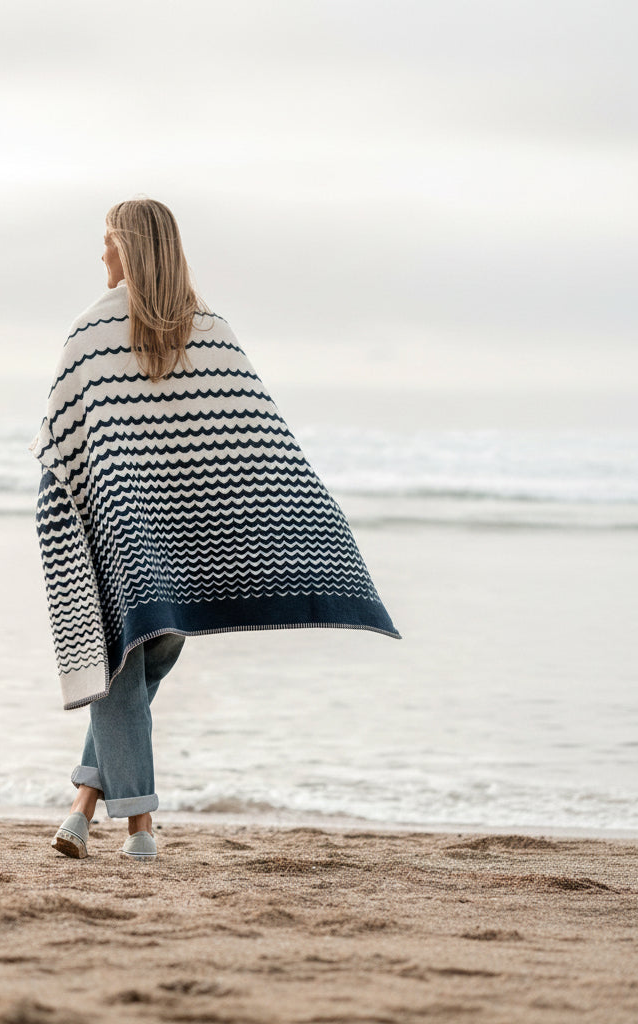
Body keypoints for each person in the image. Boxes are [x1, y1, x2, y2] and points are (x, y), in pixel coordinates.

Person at [30, 198, 398, 862]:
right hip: (186, 537)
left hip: (121, 527)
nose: (102, 255)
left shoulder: (90, 331)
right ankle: (136, 829)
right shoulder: (215, 331)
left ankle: (83, 811)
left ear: (131, 247)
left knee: (128, 667)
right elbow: (254, 437)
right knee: (130, 665)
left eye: (107, 241)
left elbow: (59, 443)